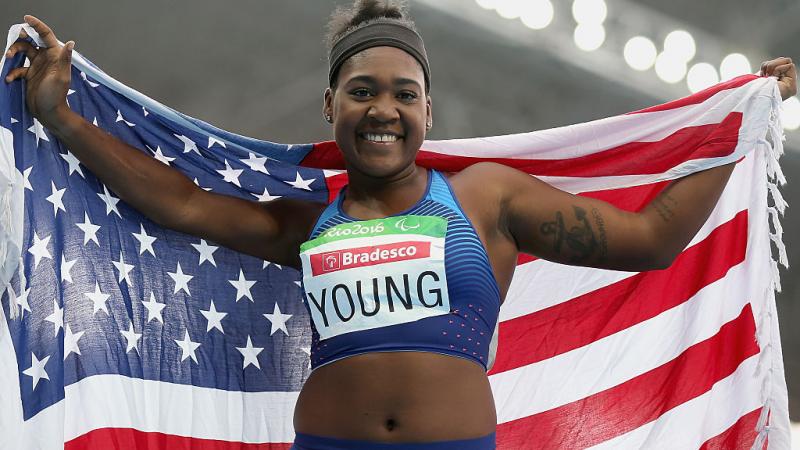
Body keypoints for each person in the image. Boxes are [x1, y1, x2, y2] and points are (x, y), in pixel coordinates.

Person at [5, 1, 796, 449]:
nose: (382, 108)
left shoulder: (487, 199)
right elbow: (178, 203)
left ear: (427, 110)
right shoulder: (308, 225)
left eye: (403, 93)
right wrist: (64, 120)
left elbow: (652, 238)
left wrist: (741, 124)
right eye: (361, 91)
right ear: (330, 107)